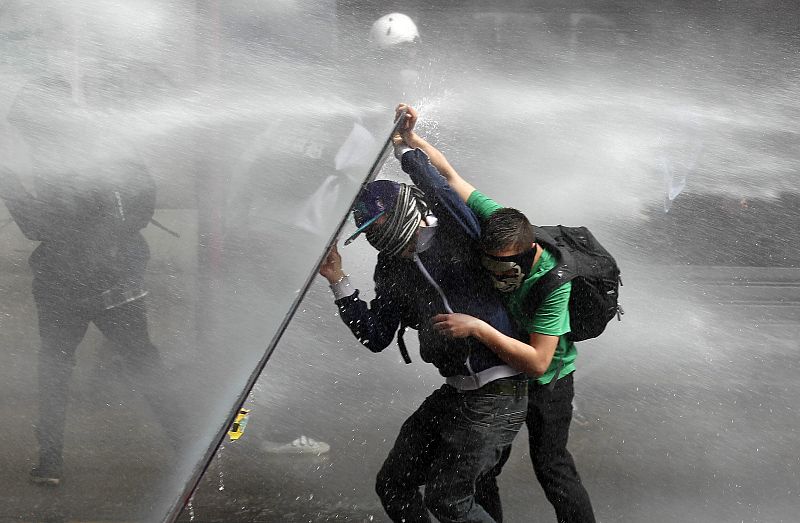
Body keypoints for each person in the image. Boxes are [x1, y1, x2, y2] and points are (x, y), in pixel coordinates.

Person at [318, 116, 530, 522]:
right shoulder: (390, 270)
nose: (372, 235)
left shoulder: (458, 230)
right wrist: (339, 281)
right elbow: (376, 335)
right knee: (393, 484)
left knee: (448, 501)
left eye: (374, 224)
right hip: (455, 392)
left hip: (496, 393)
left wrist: (404, 148)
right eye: (365, 231)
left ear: (399, 210)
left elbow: (439, 187)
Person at [395, 104, 597, 523]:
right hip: (505, 373)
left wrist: (478, 327)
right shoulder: (499, 225)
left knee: (552, 467)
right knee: (482, 470)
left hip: (549, 378)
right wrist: (411, 143)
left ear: (529, 253)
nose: (496, 274)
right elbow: (449, 177)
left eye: (506, 268)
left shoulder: (552, 284)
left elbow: (539, 360)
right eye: (489, 263)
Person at [0, 75, 169, 487]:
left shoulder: (67, 157)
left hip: (81, 282)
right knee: (141, 360)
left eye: (25, 123)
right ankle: (189, 440)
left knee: (57, 365)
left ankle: (52, 461)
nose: (23, 131)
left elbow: (39, 226)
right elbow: (141, 202)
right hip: (105, 280)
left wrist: (11, 188)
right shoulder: (100, 143)